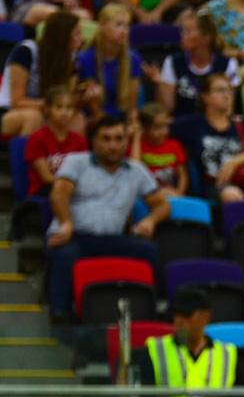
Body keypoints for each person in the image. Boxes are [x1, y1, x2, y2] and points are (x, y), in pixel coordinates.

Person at [45, 116, 169, 323]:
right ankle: (61, 315)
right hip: (76, 236)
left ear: (126, 142)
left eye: (119, 139)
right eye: (106, 139)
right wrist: (66, 223)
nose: (113, 145)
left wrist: (150, 221)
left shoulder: (136, 171)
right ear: (94, 141)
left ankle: (153, 309)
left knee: (149, 250)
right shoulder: (77, 162)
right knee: (65, 254)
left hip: (113, 238)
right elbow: (59, 193)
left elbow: (163, 205)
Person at [175, 74, 244, 203]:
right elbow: (160, 129)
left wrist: (233, 163)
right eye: (220, 90)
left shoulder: (243, 123)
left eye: (230, 90)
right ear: (205, 96)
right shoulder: (192, 124)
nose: (227, 95)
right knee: (232, 195)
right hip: (215, 183)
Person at [0, 11, 83, 140]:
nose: (82, 38)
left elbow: (66, 98)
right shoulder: (26, 51)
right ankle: (27, 159)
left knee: (77, 120)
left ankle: (69, 160)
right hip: (8, 112)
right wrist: (54, 106)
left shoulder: (72, 60)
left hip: (48, 112)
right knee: (34, 117)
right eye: (77, 33)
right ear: (63, 36)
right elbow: (17, 101)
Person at [159, 9, 242, 117]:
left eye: (188, 31)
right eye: (183, 31)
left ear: (206, 38)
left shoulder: (227, 64)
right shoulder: (172, 62)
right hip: (182, 125)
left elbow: (228, 110)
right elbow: (167, 110)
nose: (182, 35)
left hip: (215, 125)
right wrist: (160, 84)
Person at [75, 3, 142, 123]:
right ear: (102, 26)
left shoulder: (133, 59)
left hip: (121, 121)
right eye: (118, 25)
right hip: (94, 120)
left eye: (127, 26)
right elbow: (94, 109)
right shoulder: (86, 58)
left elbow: (132, 108)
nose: (124, 31)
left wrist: (132, 128)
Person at [25, 87, 88, 198]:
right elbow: (46, 177)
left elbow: (84, 173)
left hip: (73, 190)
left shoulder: (80, 140)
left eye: (69, 108)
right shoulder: (36, 138)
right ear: (47, 109)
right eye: (59, 107)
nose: (64, 112)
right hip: (45, 191)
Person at [130, 103, 189, 196]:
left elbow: (183, 176)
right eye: (157, 127)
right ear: (144, 128)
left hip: (171, 194)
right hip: (145, 195)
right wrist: (137, 137)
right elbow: (135, 168)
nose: (164, 131)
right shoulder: (136, 146)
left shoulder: (174, 145)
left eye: (165, 126)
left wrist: (179, 193)